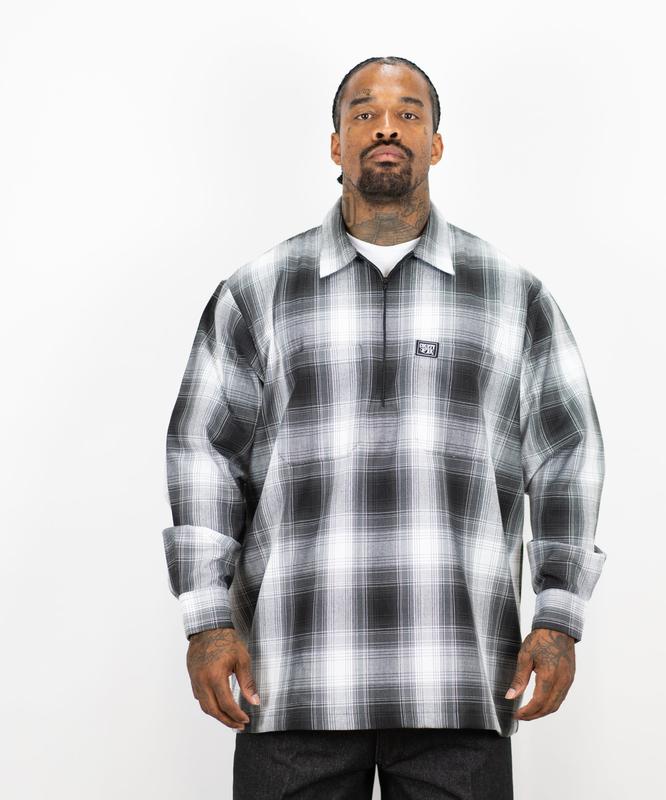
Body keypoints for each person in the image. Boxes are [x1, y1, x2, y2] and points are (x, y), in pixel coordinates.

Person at [161, 55, 608, 800]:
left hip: (459, 678)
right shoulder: (258, 291)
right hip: (294, 677)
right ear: (336, 143)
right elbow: (203, 453)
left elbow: (567, 454)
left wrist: (558, 618)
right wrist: (208, 621)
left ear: (437, 143)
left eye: (409, 113)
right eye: (364, 113)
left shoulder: (511, 294)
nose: (386, 128)